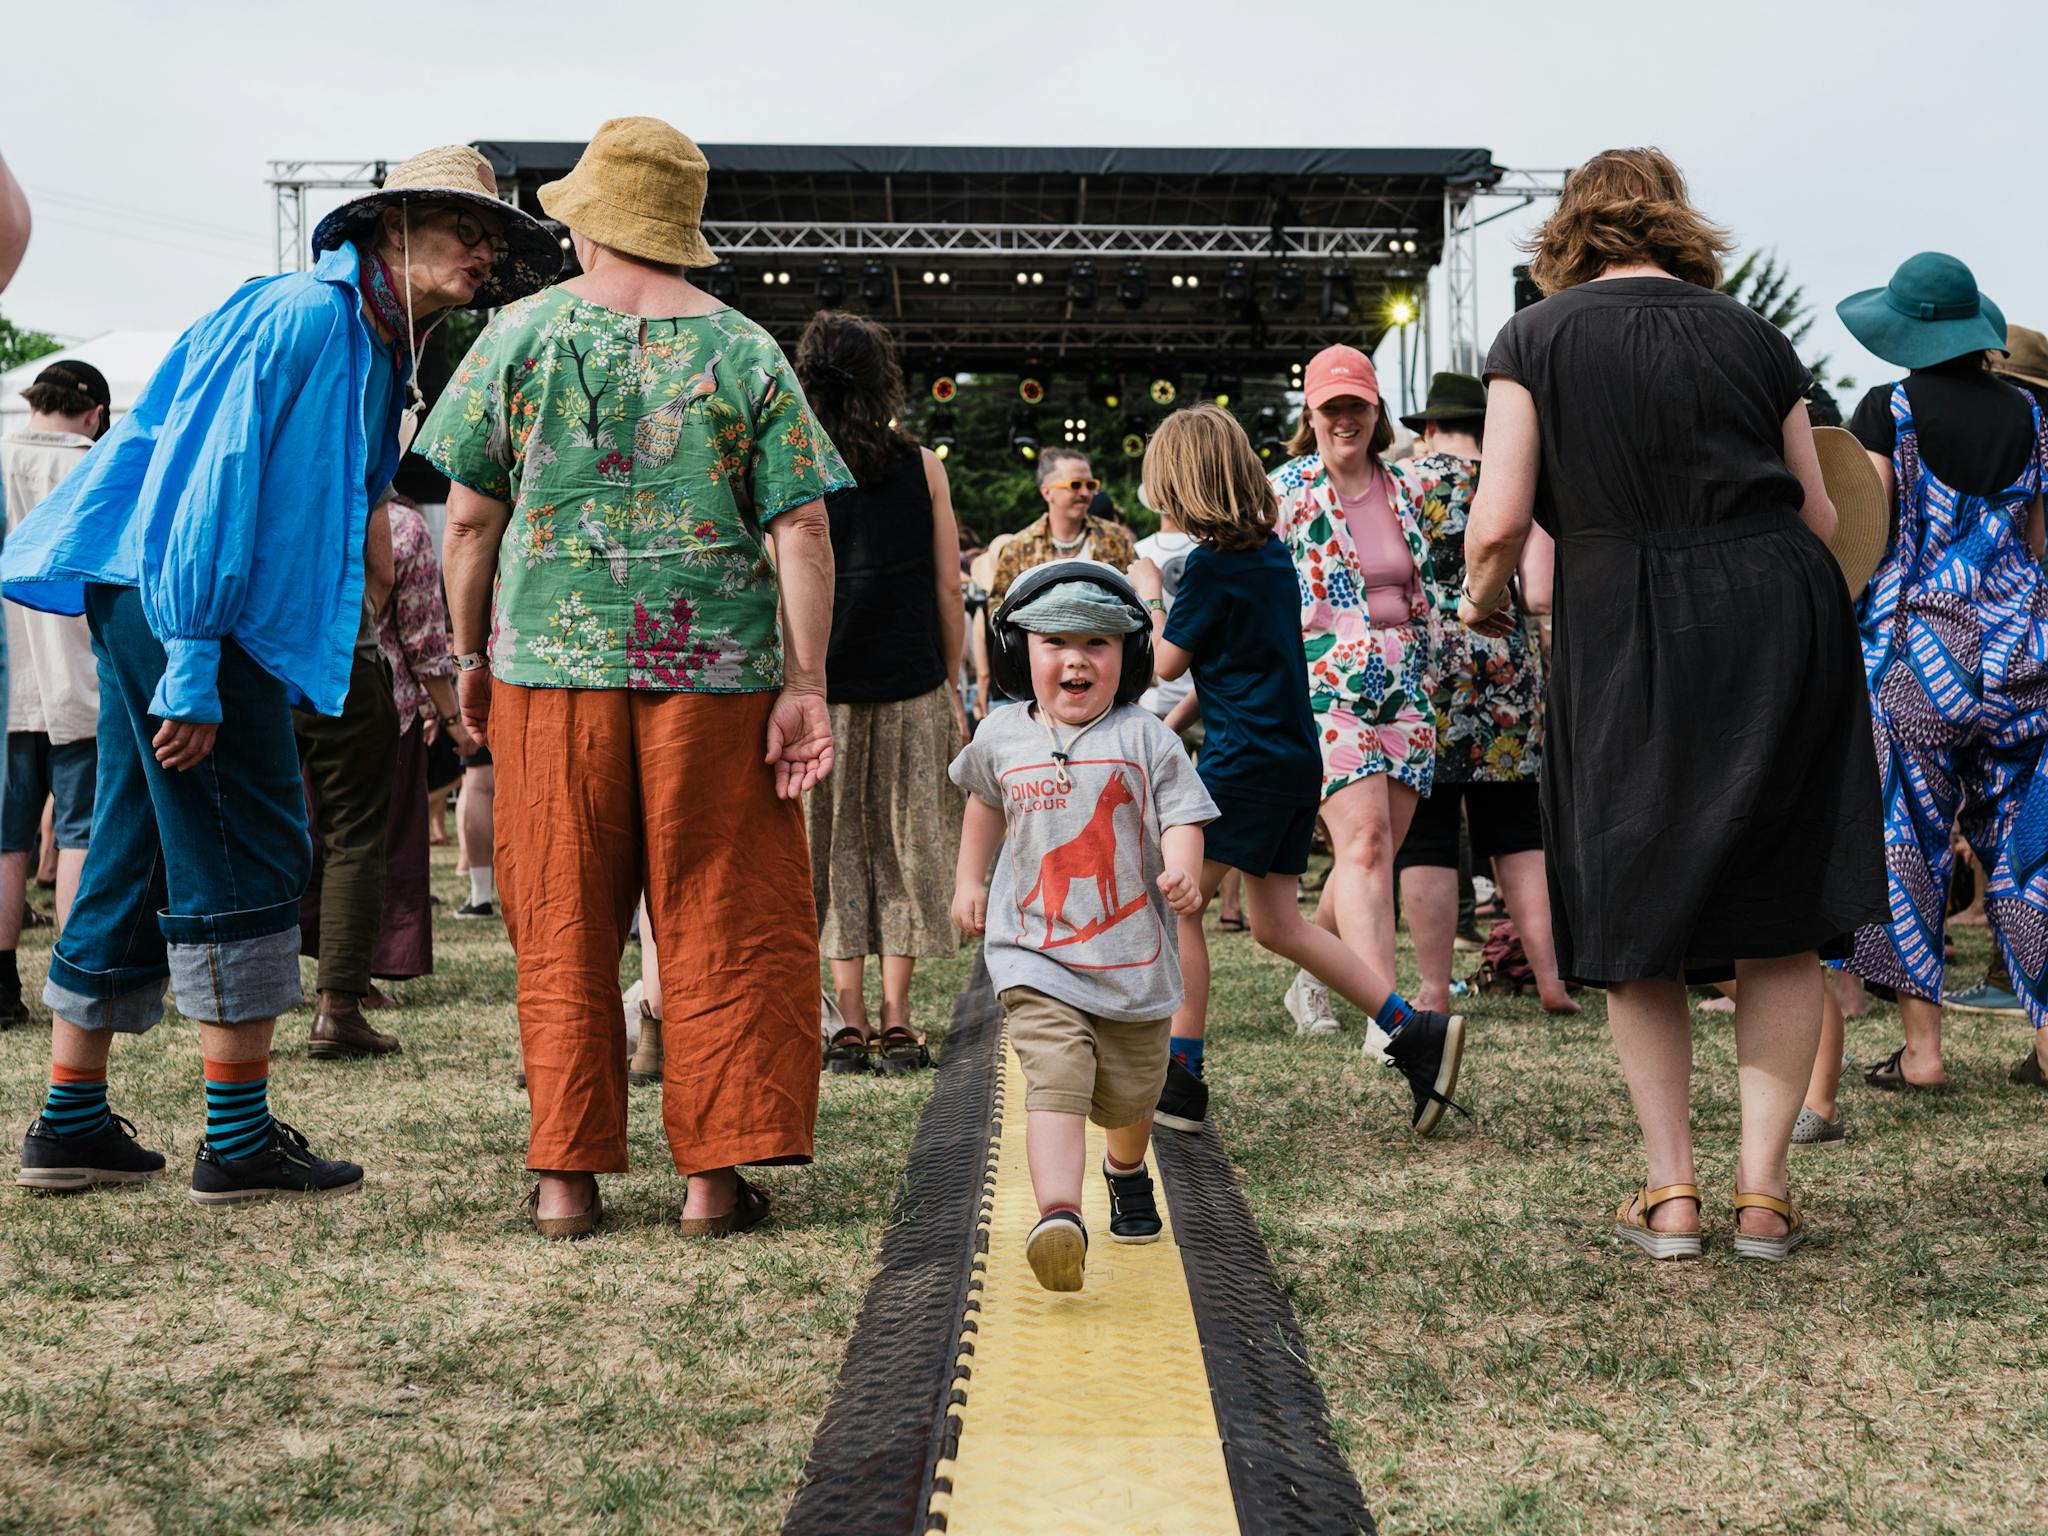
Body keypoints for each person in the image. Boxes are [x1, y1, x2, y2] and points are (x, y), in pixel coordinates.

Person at [4, 144, 559, 1204]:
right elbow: (214, 479)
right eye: (461, 227)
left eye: (491, 235)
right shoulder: (310, 318)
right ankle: (238, 1137)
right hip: (192, 603)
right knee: (247, 840)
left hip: (161, 596)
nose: (484, 250)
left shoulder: (369, 341)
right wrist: (199, 657)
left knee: (128, 839)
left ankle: (71, 1123)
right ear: (389, 229)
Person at [424, 117, 849, 1241]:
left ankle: (566, 1181)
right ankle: (712, 1182)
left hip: (549, 672)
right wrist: (803, 681)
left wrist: (470, 659)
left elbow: (466, 522)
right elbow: (801, 529)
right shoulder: (747, 350)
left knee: (561, 912)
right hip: (716, 679)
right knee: (721, 910)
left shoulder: (516, 339)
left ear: (586, 224)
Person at [1463, 147, 1885, 1261]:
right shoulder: (1752, 335)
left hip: (1626, 618)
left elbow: (1498, 521)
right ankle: (1762, 1196)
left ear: (1566, 230)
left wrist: (1480, 604)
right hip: (1777, 605)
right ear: (1674, 224)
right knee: (1779, 906)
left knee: (1631, 899)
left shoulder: (1532, 338)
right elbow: (1819, 520)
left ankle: (1671, 1194)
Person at [1132, 405, 1468, 1139]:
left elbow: (1161, 664)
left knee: (1175, 907)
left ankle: (1180, 1079)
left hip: (1239, 765)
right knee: (1279, 925)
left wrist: (1149, 601)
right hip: (1292, 760)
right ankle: (1414, 1033)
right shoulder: (1269, 556)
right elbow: (1234, 664)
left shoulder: (1207, 571)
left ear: (1181, 487)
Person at [948, 562, 1214, 1291]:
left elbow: (1183, 811)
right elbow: (983, 805)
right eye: (1055, 641)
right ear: (1018, 653)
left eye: (1097, 642)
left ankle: (1125, 1169)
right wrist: (971, 880)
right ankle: (1059, 1216)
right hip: (1035, 955)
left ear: (1126, 656)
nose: (1075, 658)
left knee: (1131, 1095)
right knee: (1057, 1076)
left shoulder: (1146, 737)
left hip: (1132, 960)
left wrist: (1184, 867)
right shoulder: (1003, 734)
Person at [1836, 255, 2048, 1093]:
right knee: (2031, 857)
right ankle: (2043, 1046)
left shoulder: (1888, 410)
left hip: (1917, 664)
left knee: (1910, 851)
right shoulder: (2034, 417)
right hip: (2026, 656)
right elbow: (2038, 544)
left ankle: (1922, 1054)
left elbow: (1868, 527)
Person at [795, 311, 967, 1075]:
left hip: (818, 686)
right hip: (911, 680)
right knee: (907, 850)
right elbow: (947, 587)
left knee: (830, 850)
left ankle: (846, 1022)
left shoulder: (791, 460)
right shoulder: (921, 464)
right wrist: (957, 684)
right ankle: (899, 1021)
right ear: (882, 377)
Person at [1390, 372, 1576, 1015]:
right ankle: (1551, 982)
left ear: (1430, 428)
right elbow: (1545, 593)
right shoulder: (1517, 483)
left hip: (1423, 667)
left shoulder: (1400, 485)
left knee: (1429, 833)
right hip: (1507, 668)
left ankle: (1435, 992)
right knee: (1519, 831)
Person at [1269, 346, 1441, 1036]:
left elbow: (1421, 585)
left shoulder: (1407, 489)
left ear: (1376, 409)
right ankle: (1389, 1019)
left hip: (1406, 678)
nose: (1344, 418)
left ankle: (1313, 977)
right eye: (1330, 406)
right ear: (1310, 414)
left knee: (1369, 854)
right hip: (1323, 678)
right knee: (1364, 844)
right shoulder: (1282, 492)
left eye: (1356, 405)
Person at [0, 361, 108, 1025]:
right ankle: (73, 987)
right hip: (82, 682)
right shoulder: (99, 466)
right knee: (79, 840)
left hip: (8, 682)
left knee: (7, 844)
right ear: (94, 412)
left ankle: (2, 990)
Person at [365, 493, 469, 996]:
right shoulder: (404, 527)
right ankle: (349, 983)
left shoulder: (305, 500)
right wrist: (452, 717)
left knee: (315, 842)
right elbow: (424, 637)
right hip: (384, 704)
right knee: (381, 849)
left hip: (301, 702)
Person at [987, 448, 1137, 607]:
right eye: (1075, 485)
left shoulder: (1116, 537)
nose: (1085, 493)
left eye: (1091, 485)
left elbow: (1137, 594)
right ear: (1047, 492)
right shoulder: (1018, 547)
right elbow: (997, 606)